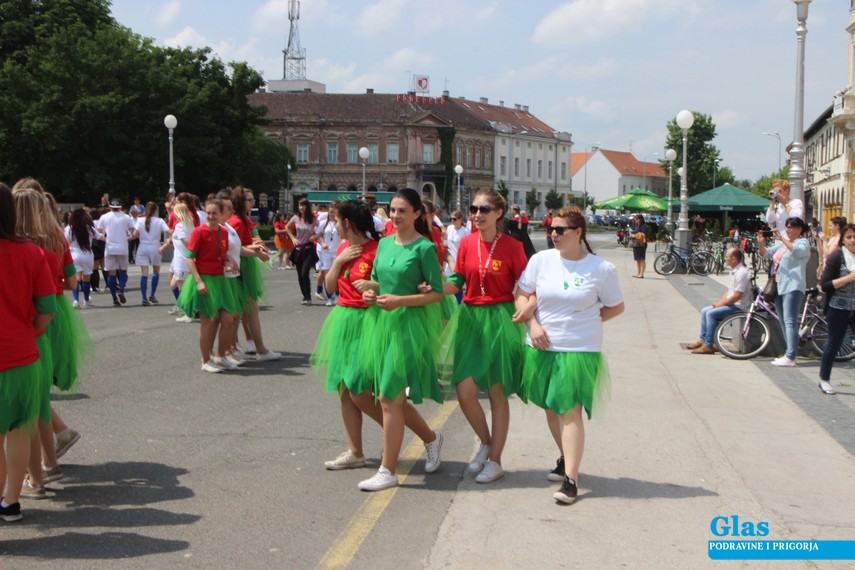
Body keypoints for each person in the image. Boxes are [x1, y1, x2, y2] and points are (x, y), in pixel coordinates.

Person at [311, 200, 442, 472]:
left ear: (347, 222)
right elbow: (331, 287)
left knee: (367, 392)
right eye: (393, 210)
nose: (335, 226)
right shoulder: (344, 249)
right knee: (344, 389)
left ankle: (414, 436)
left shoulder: (377, 248)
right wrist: (338, 261)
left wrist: (410, 287)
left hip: (371, 322)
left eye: (337, 221)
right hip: (343, 321)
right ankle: (355, 451)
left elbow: (394, 283)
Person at [514, 206, 624, 504]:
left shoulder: (601, 269)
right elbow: (522, 294)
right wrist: (532, 324)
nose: (553, 234)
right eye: (551, 228)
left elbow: (616, 306)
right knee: (551, 408)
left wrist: (586, 323)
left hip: (578, 350)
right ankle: (566, 456)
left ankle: (571, 481)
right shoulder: (541, 260)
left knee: (568, 410)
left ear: (578, 232)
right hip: (540, 346)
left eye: (560, 230)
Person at [358, 188, 444, 491]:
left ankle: (388, 469)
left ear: (417, 214)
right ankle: (431, 439)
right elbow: (380, 281)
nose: (395, 215)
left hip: (409, 326)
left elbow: (436, 293)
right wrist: (370, 292)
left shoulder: (425, 248)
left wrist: (401, 300)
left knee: (388, 396)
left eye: (402, 210)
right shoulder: (383, 243)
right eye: (392, 210)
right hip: (381, 323)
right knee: (387, 396)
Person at [440, 189, 528, 483]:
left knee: (496, 392)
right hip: (470, 318)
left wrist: (527, 312)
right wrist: (434, 288)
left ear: (498, 213)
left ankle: (496, 460)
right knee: (465, 391)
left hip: (501, 319)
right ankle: (487, 442)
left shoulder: (513, 247)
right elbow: (457, 281)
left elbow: (526, 285)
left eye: (484, 209)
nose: (477, 214)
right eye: (474, 209)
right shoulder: (467, 243)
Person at [0, 182, 56, 522]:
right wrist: (27, 329)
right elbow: (48, 308)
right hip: (22, 353)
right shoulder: (32, 253)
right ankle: (11, 502)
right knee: (20, 429)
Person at [177, 198, 241, 373]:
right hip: (204, 278)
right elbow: (189, 258)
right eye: (208, 213)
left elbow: (221, 255)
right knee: (209, 321)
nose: (211, 216)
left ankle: (220, 356)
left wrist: (230, 261)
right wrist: (198, 281)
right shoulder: (199, 232)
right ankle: (205, 360)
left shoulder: (223, 232)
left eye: (214, 213)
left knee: (229, 318)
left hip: (220, 279)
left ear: (221, 214)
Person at [227, 186, 280, 361]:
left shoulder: (243, 219)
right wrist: (256, 250)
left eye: (253, 199)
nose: (253, 202)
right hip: (241, 266)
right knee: (247, 310)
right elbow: (234, 247)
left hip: (244, 264)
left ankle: (234, 347)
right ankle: (258, 349)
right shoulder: (237, 221)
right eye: (249, 200)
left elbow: (248, 240)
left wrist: (256, 245)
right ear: (240, 202)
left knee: (241, 310)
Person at [758, 217, 810, 367]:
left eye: (791, 227)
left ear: (799, 229)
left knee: (790, 321)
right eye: (787, 227)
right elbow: (766, 254)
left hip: (793, 286)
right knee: (783, 321)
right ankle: (789, 352)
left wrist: (782, 238)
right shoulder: (782, 244)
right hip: (779, 286)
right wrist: (760, 243)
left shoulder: (802, 243)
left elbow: (797, 252)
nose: (787, 230)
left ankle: (791, 356)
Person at [685, 248, 751, 354]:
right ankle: (703, 340)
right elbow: (729, 291)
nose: (724, 258)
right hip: (732, 304)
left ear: (734, 259)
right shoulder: (733, 271)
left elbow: (737, 296)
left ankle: (708, 345)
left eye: (726, 257)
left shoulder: (741, 273)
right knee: (704, 311)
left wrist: (721, 304)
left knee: (711, 314)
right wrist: (718, 303)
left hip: (740, 306)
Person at [817, 223, 855, 395]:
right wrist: (848, 278)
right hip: (838, 307)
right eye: (849, 237)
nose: (852, 240)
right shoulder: (837, 257)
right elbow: (825, 285)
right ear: (843, 240)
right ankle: (824, 379)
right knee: (834, 343)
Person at [95, 200, 135, 307]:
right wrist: (129, 238)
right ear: (120, 207)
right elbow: (134, 231)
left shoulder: (104, 217)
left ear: (109, 207)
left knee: (111, 273)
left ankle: (114, 298)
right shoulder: (126, 217)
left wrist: (106, 238)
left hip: (110, 248)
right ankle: (121, 288)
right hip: (122, 247)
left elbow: (98, 232)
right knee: (123, 271)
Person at [133, 202, 170, 306]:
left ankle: (144, 298)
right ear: (155, 211)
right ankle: (152, 294)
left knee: (144, 273)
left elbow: (135, 234)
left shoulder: (140, 220)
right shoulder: (159, 221)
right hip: (155, 246)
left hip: (143, 246)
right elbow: (168, 230)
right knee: (156, 271)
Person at [286, 198, 320, 305]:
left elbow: (321, 230)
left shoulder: (313, 219)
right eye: (300, 205)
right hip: (298, 249)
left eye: (303, 205)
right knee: (300, 275)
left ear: (307, 206)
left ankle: (308, 296)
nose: (301, 207)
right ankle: (305, 296)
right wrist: (293, 238)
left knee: (305, 273)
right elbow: (287, 227)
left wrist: (315, 236)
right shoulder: (295, 218)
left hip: (308, 249)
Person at [169, 203, 195, 321]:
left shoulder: (180, 226)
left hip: (182, 261)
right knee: (173, 285)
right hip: (182, 260)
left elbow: (186, 242)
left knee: (182, 288)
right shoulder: (189, 224)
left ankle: (188, 312)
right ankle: (184, 307)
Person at [65, 208, 97, 308]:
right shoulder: (89, 228)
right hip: (87, 255)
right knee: (86, 279)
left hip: (74, 255)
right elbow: (100, 237)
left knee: (76, 278)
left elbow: (65, 242)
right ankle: (86, 299)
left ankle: (76, 300)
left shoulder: (69, 229)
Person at [315, 202, 342, 306]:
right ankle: (329, 298)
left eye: (334, 212)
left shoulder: (339, 223)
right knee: (327, 275)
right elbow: (316, 236)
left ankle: (337, 295)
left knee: (336, 274)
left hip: (336, 251)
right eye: (331, 212)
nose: (332, 214)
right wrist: (322, 243)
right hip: (325, 252)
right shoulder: (323, 223)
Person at [630, 214, 649, 278]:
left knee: (642, 259)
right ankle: (638, 272)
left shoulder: (643, 226)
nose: (636, 220)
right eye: (635, 219)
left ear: (640, 219)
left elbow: (644, 235)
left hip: (641, 244)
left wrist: (634, 235)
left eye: (637, 219)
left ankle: (641, 273)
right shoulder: (637, 226)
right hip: (636, 244)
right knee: (637, 259)